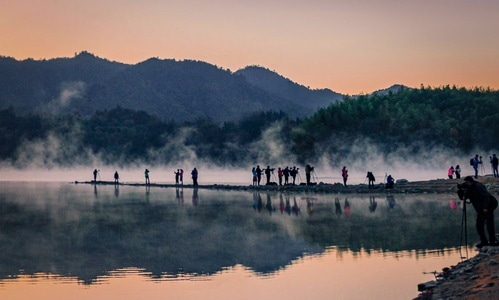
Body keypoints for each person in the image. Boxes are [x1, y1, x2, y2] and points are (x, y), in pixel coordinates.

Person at [458, 176, 499, 247]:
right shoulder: (469, 187)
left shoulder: (478, 186)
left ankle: (493, 241)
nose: (466, 184)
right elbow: (465, 197)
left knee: (489, 224)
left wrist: (485, 207)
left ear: (470, 181)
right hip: (480, 209)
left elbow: (486, 196)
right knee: (479, 225)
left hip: (489, 206)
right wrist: (460, 192)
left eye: (467, 182)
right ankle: (484, 241)